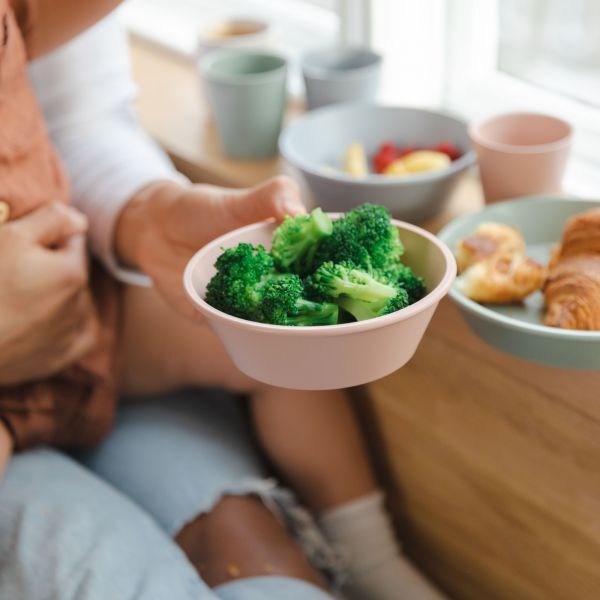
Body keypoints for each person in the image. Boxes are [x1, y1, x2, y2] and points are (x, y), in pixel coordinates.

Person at [0, 4, 445, 598]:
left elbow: (78, 116)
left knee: (280, 345)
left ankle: (372, 559)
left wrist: (147, 213)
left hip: (84, 313)